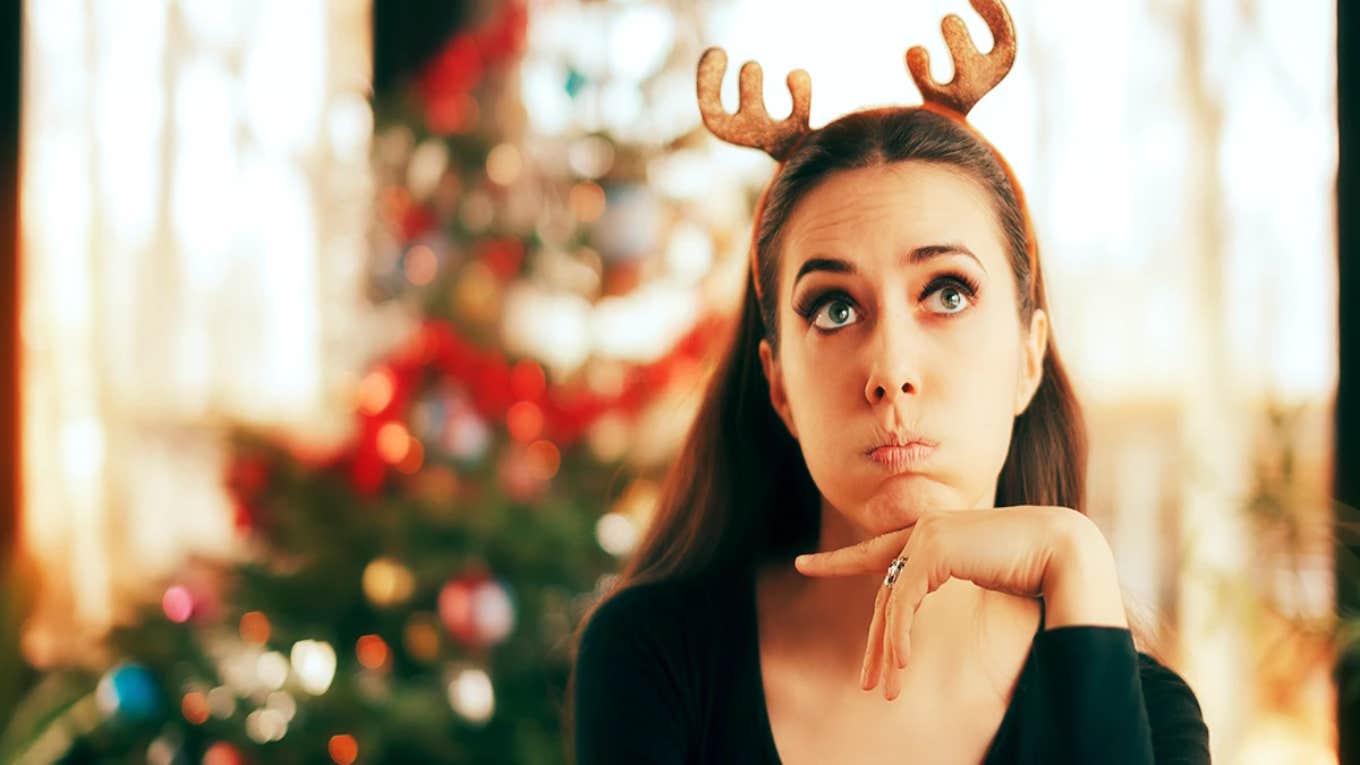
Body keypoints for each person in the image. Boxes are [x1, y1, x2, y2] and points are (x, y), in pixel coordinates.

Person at [567, 0, 1211, 761]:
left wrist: (1076, 556)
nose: (891, 372)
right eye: (835, 308)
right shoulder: (655, 658)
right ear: (779, 388)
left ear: (1029, 356)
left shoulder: (1147, 716)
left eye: (948, 292)